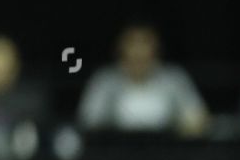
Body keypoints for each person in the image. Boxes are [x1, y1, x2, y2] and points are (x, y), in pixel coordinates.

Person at [77, 24, 208, 136]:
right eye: (132, 44)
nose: (138, 52)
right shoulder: (105, 80)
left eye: (145, 44)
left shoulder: (173, 79)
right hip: (115, 155)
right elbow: (88, 120)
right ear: (121, 51)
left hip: (167, 154)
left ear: (156, 51)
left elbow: (197, 118)